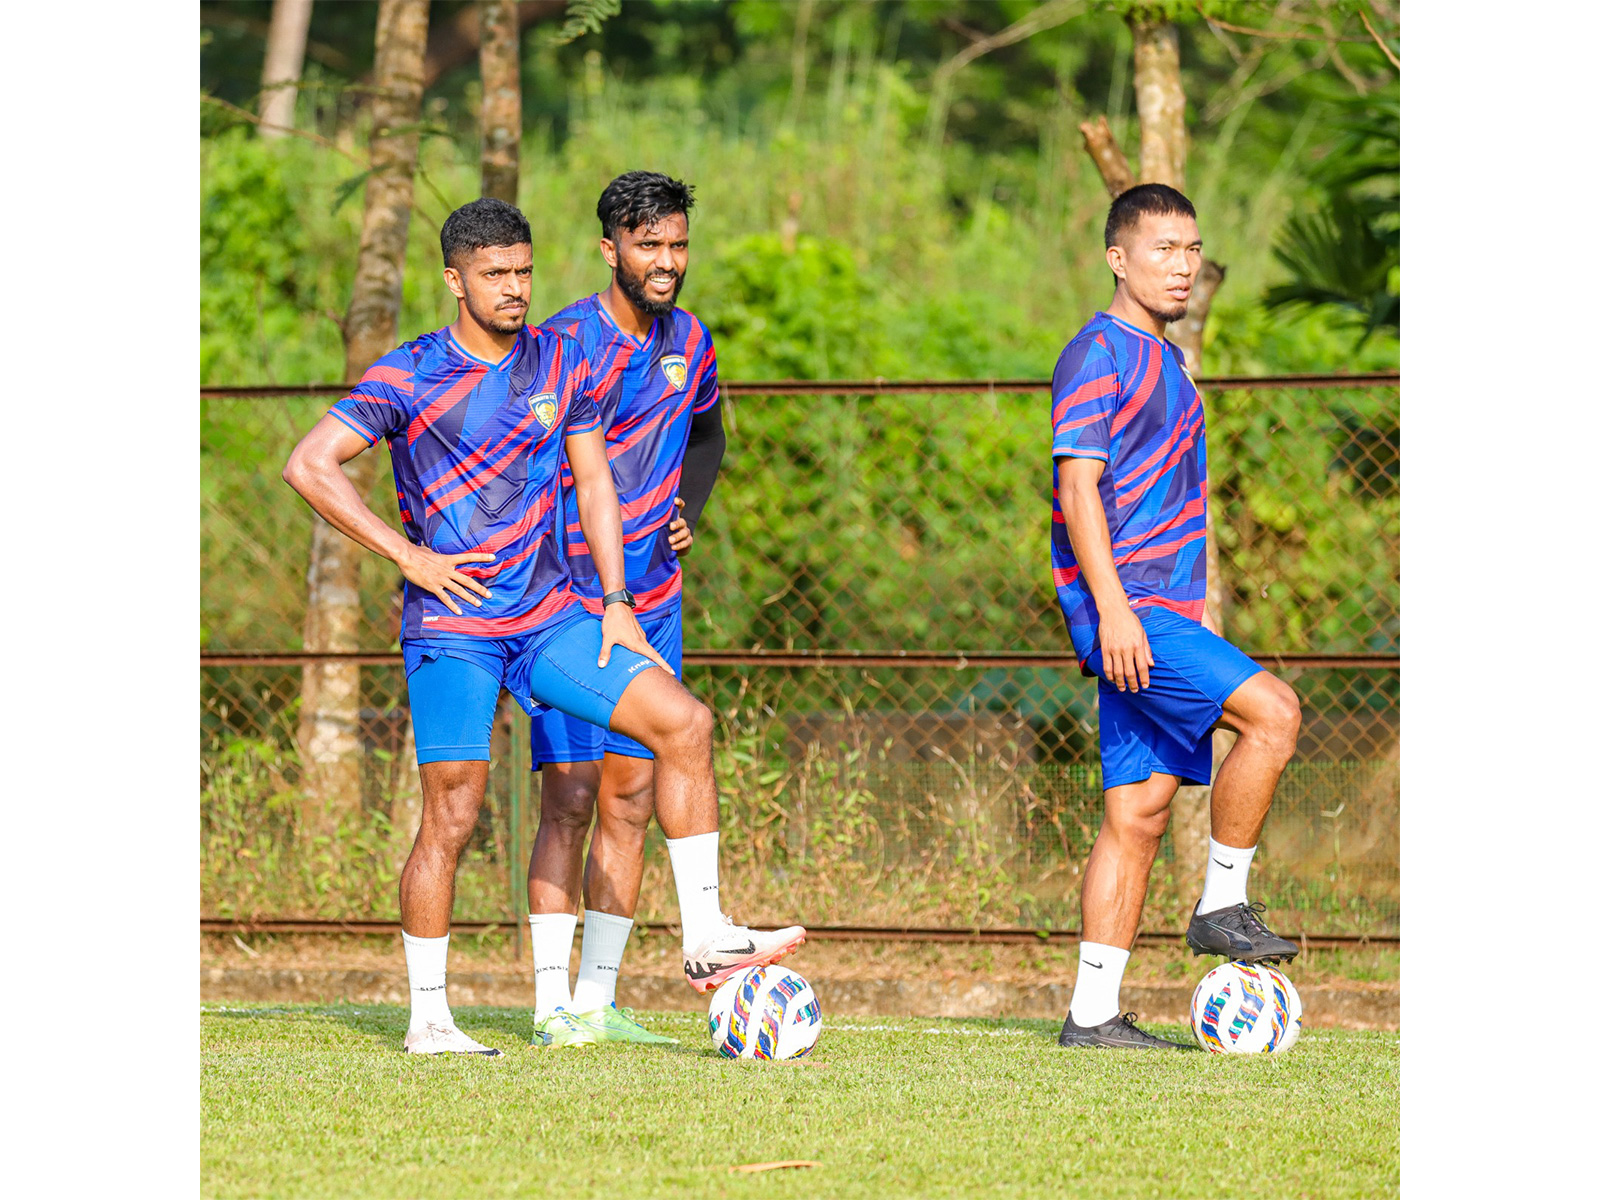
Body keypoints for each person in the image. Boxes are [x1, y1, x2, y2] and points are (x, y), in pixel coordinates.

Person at [282, 198, 803, 1057]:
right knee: (452, 812)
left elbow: (594, 483)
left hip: (554, 618)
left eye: (523, 270)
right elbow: (310, 464)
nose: (515, 288)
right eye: (495, 274)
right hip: (453, 627)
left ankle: (707, 933)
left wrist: (615, 600)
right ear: (455, 281)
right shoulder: (411, 372)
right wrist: (405, 555)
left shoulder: (561, 362)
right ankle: (429, 1018)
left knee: (686, 724)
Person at [1049, 183, 1303, 1051]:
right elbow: (1076, 488)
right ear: (1118, 257)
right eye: (1164, 248)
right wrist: (1113, 612)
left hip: (1154, 608)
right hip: (1134, 611)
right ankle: (1223, 903)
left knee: (1140, 812)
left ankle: (1092, 1015)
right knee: (1273, 713)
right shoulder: (1098, 354)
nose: (1183, 265)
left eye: (1192, 250)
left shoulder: (1172, 361)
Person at [518, 172, 743, 1049]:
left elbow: (710, 433)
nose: (667, 262)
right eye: (648, 245)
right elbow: (525, 458)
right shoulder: (563, 342)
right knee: (569, 798)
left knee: (635, 793)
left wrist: (688, 506)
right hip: (570, 605)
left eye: (678, 245)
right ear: (611, 248)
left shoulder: (691, 340)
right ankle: (548, 1008)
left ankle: (598, 1001)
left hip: (655, 599)